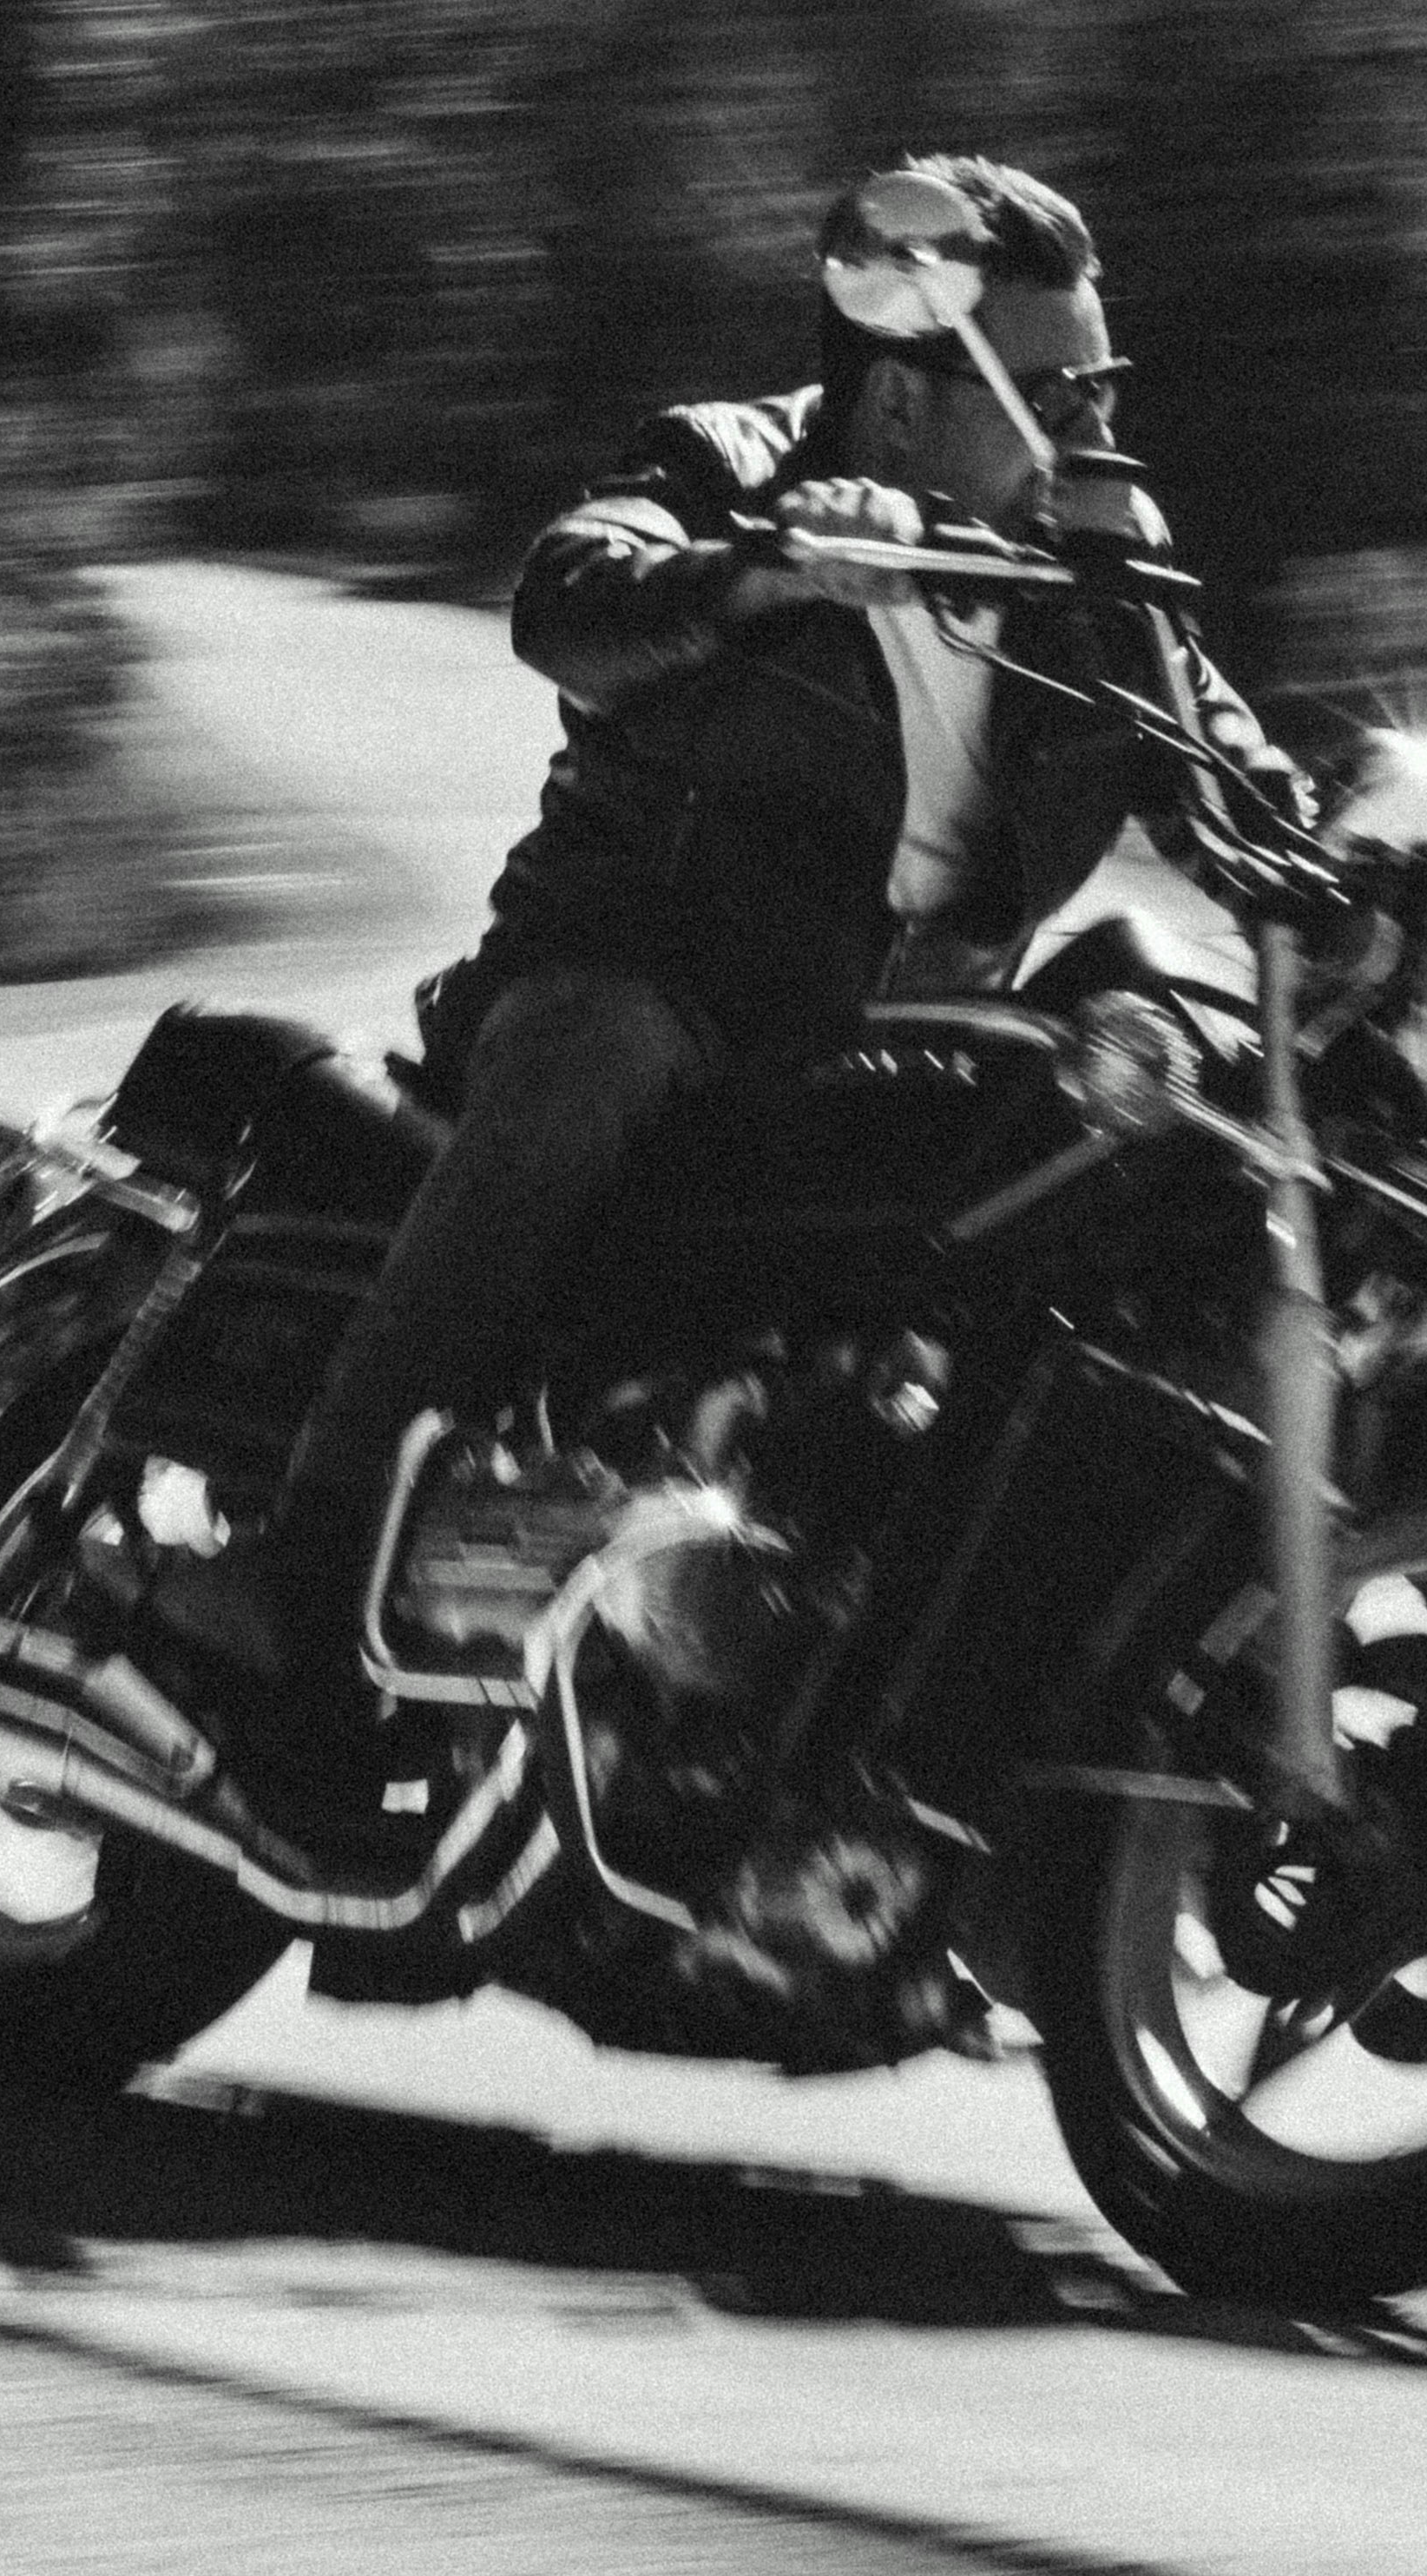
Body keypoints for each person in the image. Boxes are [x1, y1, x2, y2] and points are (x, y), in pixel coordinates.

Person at [191, 154, 1231, 1866]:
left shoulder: (1102, 568)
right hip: (652, 986)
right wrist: (765, 572)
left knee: (1153, 1068)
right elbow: (569, 599)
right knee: (602, 1046)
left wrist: (1381, 866)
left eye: (1105, 385)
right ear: (903, 395)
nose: (1091, 429)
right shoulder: (737, 462)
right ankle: (300, 1574)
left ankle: (965, 1708)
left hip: (885, 1049)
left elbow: (1222, 772)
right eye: (1054, 391)